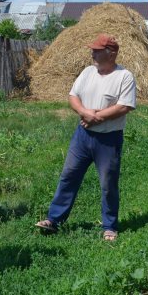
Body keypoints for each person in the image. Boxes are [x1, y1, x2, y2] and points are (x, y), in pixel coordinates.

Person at [36, 33, 136, 241]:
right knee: (68, 176)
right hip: (82, 136)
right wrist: (84, 113)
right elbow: (73, 96)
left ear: (111, 54)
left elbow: (124, 106)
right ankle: (54, 220)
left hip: (108, 139)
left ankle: (109, 226)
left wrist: (95, 116)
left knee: (108, 183)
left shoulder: (124, 76)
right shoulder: (88, 72)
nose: (92, 53)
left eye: (97, 50)